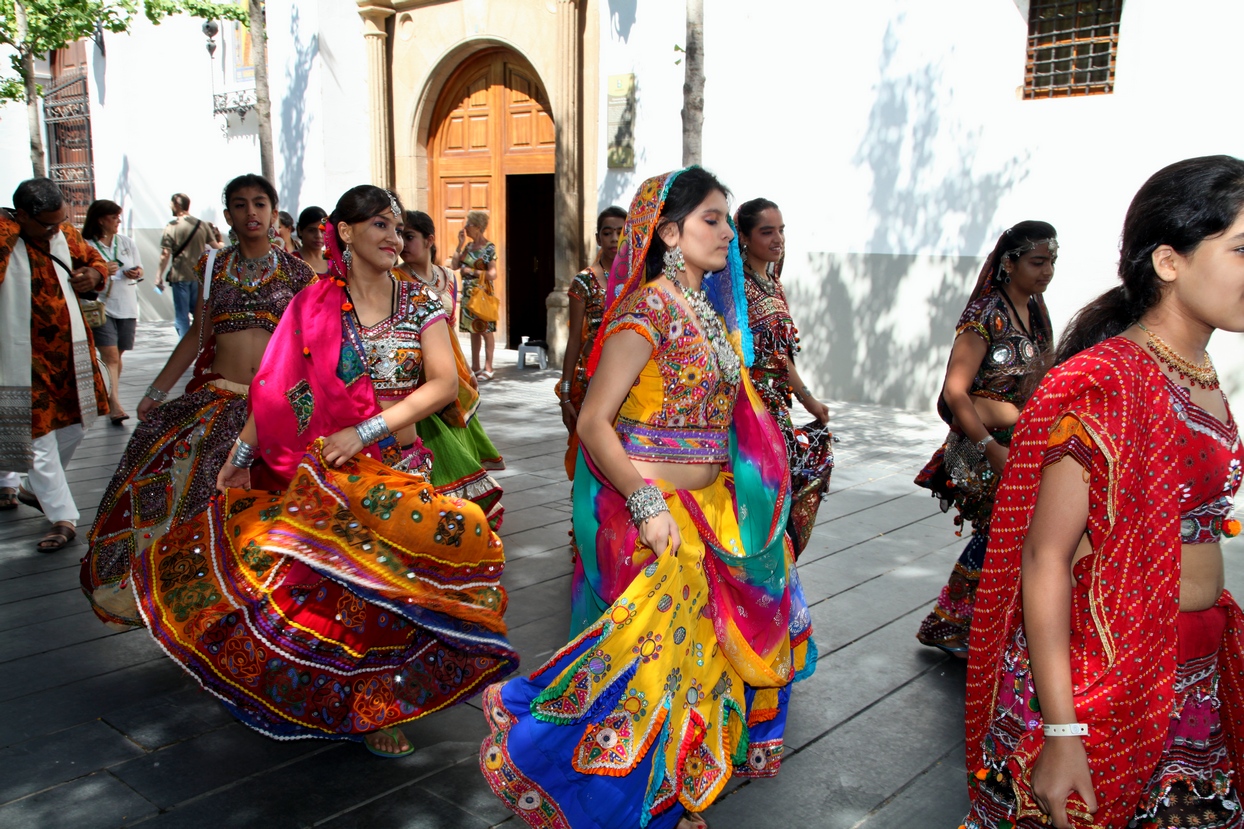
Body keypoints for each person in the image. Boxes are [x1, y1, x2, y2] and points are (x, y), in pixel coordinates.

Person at [480, 168, 816, 829]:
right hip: (655, 521)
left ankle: (674, 797)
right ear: (668, 233)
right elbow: (595, 421)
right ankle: (618, 790)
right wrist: (644, 503)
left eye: (726, 220)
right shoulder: (646, 310)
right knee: (645, 675)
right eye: (712, 220)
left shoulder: (713, 317)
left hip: (711, 518)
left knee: (699, 672)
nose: (727, 233)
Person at [131, 184, 517, 757]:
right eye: (380, 226)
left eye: (398, 227)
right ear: (344, 231)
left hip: (399, 469)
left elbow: (442, 385)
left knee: (395, 594)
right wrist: (241, 457)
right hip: (324, 472)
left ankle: (381, 700)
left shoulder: (419, 303)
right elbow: (278, 388)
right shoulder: (312, 304)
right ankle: (353, 704)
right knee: (340, 595)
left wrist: (366, 430)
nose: (393, 238)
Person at [963, 155, 1244, 829]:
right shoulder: (1106, 382)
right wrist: (1062, 736)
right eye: (1241, 249)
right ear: (1170, 261)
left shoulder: (1196, 366)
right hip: (1107, 678)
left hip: (1188, 674)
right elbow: (1046, 558)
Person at [82, 174, 314, 628]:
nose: (252, 212)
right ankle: (191, 605)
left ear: (273, 212)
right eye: (241, 204)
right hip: (217, 401)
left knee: (263, 510)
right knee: (193, 504)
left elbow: (310, 349)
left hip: (272, 411)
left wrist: (305, 413)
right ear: (227, 215)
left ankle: (260, 608)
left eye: (261, 204)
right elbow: (198, 334)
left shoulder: (299, 274)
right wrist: (156, 391)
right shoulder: (214, 266)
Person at [913, 222, 1057, 658]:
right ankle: (950, 621)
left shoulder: (1036, 310)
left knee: (1013, 533)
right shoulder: (984, 315)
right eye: (1038, 261)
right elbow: (956, 392)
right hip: (980, 448)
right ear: (1009, 263)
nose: (1047, 270)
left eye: (1052, 261)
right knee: (1002, 532)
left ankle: (984, 621)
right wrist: (990, 448)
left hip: (1023, 445)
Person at [0, 178, 109, 550]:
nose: (55, 230)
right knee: (38, 438)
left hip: (68, 354)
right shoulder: (3, 236)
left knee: (74, 429)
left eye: (59, 221)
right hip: (21, 359)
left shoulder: (62, 232)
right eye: (46, 224)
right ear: (22, 216)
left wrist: (95, 274)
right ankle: (63, 517)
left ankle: (34, 484)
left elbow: (95, 260)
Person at [737, 198, 834, 558]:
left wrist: (809, 400)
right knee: (761, 497)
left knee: (794, 485)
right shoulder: (736, 288)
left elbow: (782, 355)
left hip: (777, 408)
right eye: (767, 232)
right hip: (749, 411)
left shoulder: (773, 284)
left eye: (781, 230)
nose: (778, 239)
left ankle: (777, 566)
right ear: (744, 237)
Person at [396, 209, 505, 521]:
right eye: (401, 235)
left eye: (410, 236)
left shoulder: (447, 277)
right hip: (417, 372)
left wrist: (467, 368)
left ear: (430, 240)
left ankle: (465, 506)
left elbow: (451, 326)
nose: (403, 243)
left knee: (458, 430)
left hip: (451, 365)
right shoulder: (396, 279)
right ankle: (440, 509)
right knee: (434, 439)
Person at [556, 205, 626, 479]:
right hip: (594, 379)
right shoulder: (584, 281)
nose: (613, 239)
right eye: (607, 233)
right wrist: (565, 394)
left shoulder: (641, 278)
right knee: (592, 451)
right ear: (598, 238)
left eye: (619, 232)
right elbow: (575, 340)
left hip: (634, 379)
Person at [82, 199, 143, 425]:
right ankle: (114, 404)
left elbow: (139, 266)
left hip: (126, 304)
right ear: (100, 219)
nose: (118, 221)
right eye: (114, 217)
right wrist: (101, 271)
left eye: (119, 217)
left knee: (118, 354)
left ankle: (108, 394)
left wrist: (135, 272)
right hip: (100, 307)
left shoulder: (126, 242)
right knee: (109, 356)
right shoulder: (85, 245)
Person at [158, 193, 217, 338]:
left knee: (181, 316)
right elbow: (216, 247)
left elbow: (165, 254)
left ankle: (185, 345)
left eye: (171, 204)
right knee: (198, 312)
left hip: (180, 276)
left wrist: (158, 276)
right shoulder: (202, 225)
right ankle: (202, 341)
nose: (170, 207)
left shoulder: (172, 226)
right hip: (199, 277)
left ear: (177, 205)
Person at [451, 210, 498, 380]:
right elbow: (455, 265)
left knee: (486, 330)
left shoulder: (488, 248)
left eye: (468, 224)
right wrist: (459, 244)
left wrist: (471, 271)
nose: (465, 227)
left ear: (478, 227)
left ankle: (489, 367)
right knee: (473, 331)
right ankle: (476, 366)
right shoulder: (468, 247)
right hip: (468, 294)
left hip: (482, 293)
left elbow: (493, 274)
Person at [291, 206, 329, 275]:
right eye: (311, 230)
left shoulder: (333, 261)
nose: (319, 236)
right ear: (300, 230)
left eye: (323, 231)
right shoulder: (290, 262)